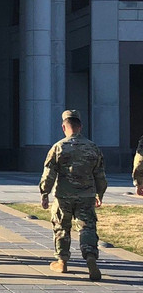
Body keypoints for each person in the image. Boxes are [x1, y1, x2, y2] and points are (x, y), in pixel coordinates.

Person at [39, 110, 108, 280]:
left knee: (62, 227)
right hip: (86, 195)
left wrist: (45, 193)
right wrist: (100, 193)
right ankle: (90, 257)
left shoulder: (59, 147)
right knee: (87, 227)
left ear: (64, 127)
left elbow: (49, 174)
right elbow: (100, 174)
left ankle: (62, 261)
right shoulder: (92, 147)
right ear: (80, 127)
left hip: (64, 195)